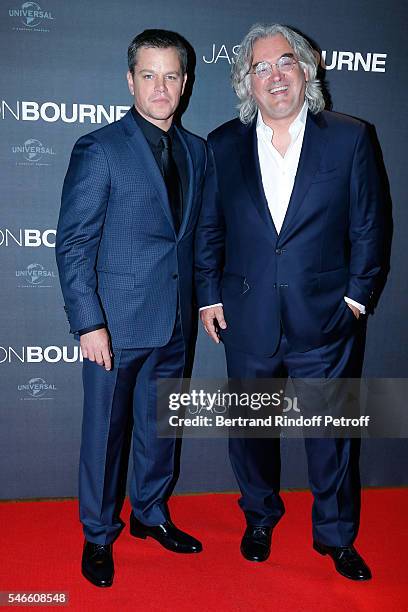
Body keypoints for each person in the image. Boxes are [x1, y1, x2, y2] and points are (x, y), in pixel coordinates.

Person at [195, 23, 383, 581]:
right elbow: (209, 229)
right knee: (250, 434)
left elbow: (370, 226)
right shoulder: (222, 144)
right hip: (247, 317)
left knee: (330, 437)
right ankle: (260, 515)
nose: (274, 76)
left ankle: (335, 535)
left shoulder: (350, 137)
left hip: (326, 318)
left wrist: (356, 297)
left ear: (306, 70)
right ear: (247, 83)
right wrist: (208, 298)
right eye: (261, 68)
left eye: (285, 63)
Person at [56, 29, 206, 588]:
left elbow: (193, 239)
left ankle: (151, 513)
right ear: (130, 81)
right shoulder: (101, 148)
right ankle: (98, 535)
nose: (161, 87)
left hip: (173, 321)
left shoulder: (197, 151)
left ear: (185, 83)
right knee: (105, 436)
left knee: (161, 430)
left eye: (171, 76)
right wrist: (89, 323)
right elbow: (73, 243)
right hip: (114, 329)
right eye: (149, 75)